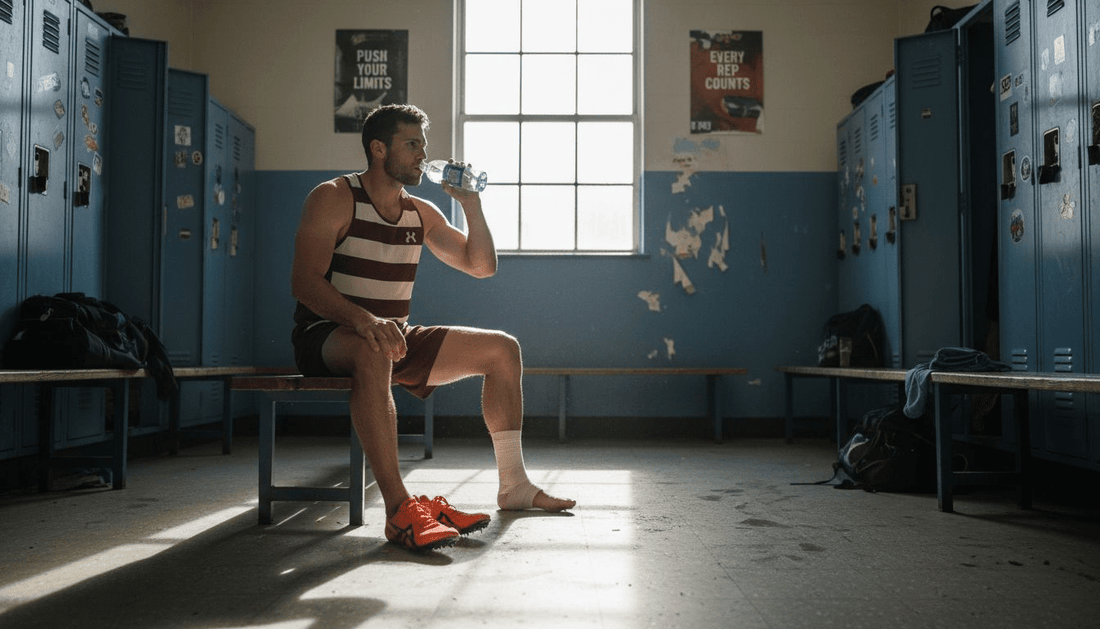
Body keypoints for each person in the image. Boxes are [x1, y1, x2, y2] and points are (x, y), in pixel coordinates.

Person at [290, 104, 575, 551]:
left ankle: (514, 486)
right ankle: (399, 510)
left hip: (392, 337)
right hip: (328, 336)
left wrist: (471, 204)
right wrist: (365, 321)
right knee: (373, 349)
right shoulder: (334, 197)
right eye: (412, 144)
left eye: (423, 145)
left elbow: (481, 266)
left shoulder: (420, 213)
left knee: (503, 350)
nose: (423, 155)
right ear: (378, 149)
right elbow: (304, 283)